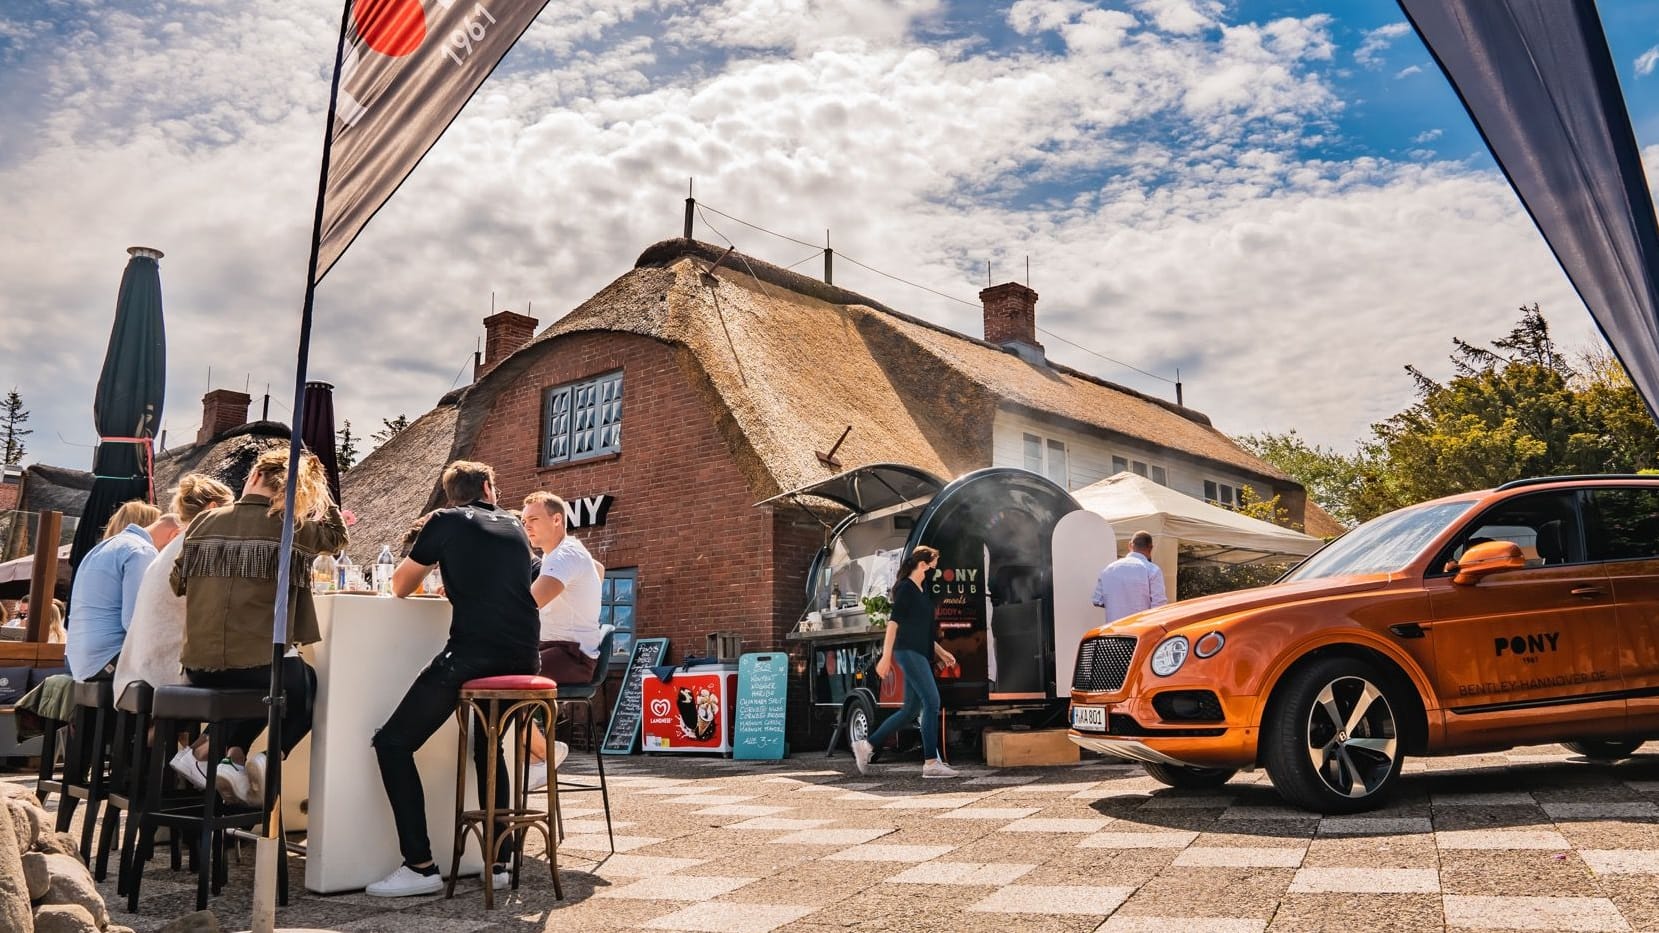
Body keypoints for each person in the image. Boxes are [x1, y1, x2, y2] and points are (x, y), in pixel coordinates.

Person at [367, 460, 540, 898]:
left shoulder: (444, 520)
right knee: (488, 746)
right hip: (525, 658)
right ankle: (499, 862)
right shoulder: (517, 526)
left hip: (473, 658)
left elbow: (402, 586)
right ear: (488, 487)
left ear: (452, 495)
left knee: (392, 742)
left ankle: (420, 866)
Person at [169, 450, 346, 803]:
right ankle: (268, 758)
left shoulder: (204, 522)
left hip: (197, 668)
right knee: (303, 686)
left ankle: (229, 758)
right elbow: (337, 537)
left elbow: (177, 583)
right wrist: (318, 500)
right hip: (258, 669)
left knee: (269, 685)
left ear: (252, 477)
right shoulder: (292, 528)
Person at [114, 473, 235, 710]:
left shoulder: (172, 547)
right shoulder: (203, 544)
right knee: (269, 683)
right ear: (212, 508)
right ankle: (205, 745)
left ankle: (196, 743)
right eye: (230, 512)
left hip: (139, 661)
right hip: (166, 665)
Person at [851, 545, 959, 779]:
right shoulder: (906, 589)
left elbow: (922, 630)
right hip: (908, 652)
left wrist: (941, 653)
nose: (935, 569)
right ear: (923, 565)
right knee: (931, 701)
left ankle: (866, 746)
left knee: (911, 709)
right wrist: (886, 657)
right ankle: (931, 763)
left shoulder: (921, 590)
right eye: (934, 564)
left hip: (919, 651)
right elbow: (894, 624)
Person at [519, 491, 602, 791]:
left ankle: (543, 754)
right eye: (524, 520)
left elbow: (528, 605)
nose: (527, 526)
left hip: (572, 656)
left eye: (534, 519)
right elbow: (600, 570)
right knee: (500, 676)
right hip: (556, 649)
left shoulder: (565, 555)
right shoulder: (564, 554)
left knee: (505, 686)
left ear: (557, 519)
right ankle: (534, 760)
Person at [65, 500, 176, 680]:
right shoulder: (142, 551)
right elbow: (134, 621)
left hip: (78, 661)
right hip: (107, 660)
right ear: (175, 535)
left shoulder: (100, 549)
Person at [1092, 530, 1168, 624]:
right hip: (1140, 630)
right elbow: (1159, 604)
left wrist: (1116, 603)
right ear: (1150, 548)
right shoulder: (1152, 570)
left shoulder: (1109, 569)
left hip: (1112, 629)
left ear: (1130, 545)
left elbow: (1097, 600)